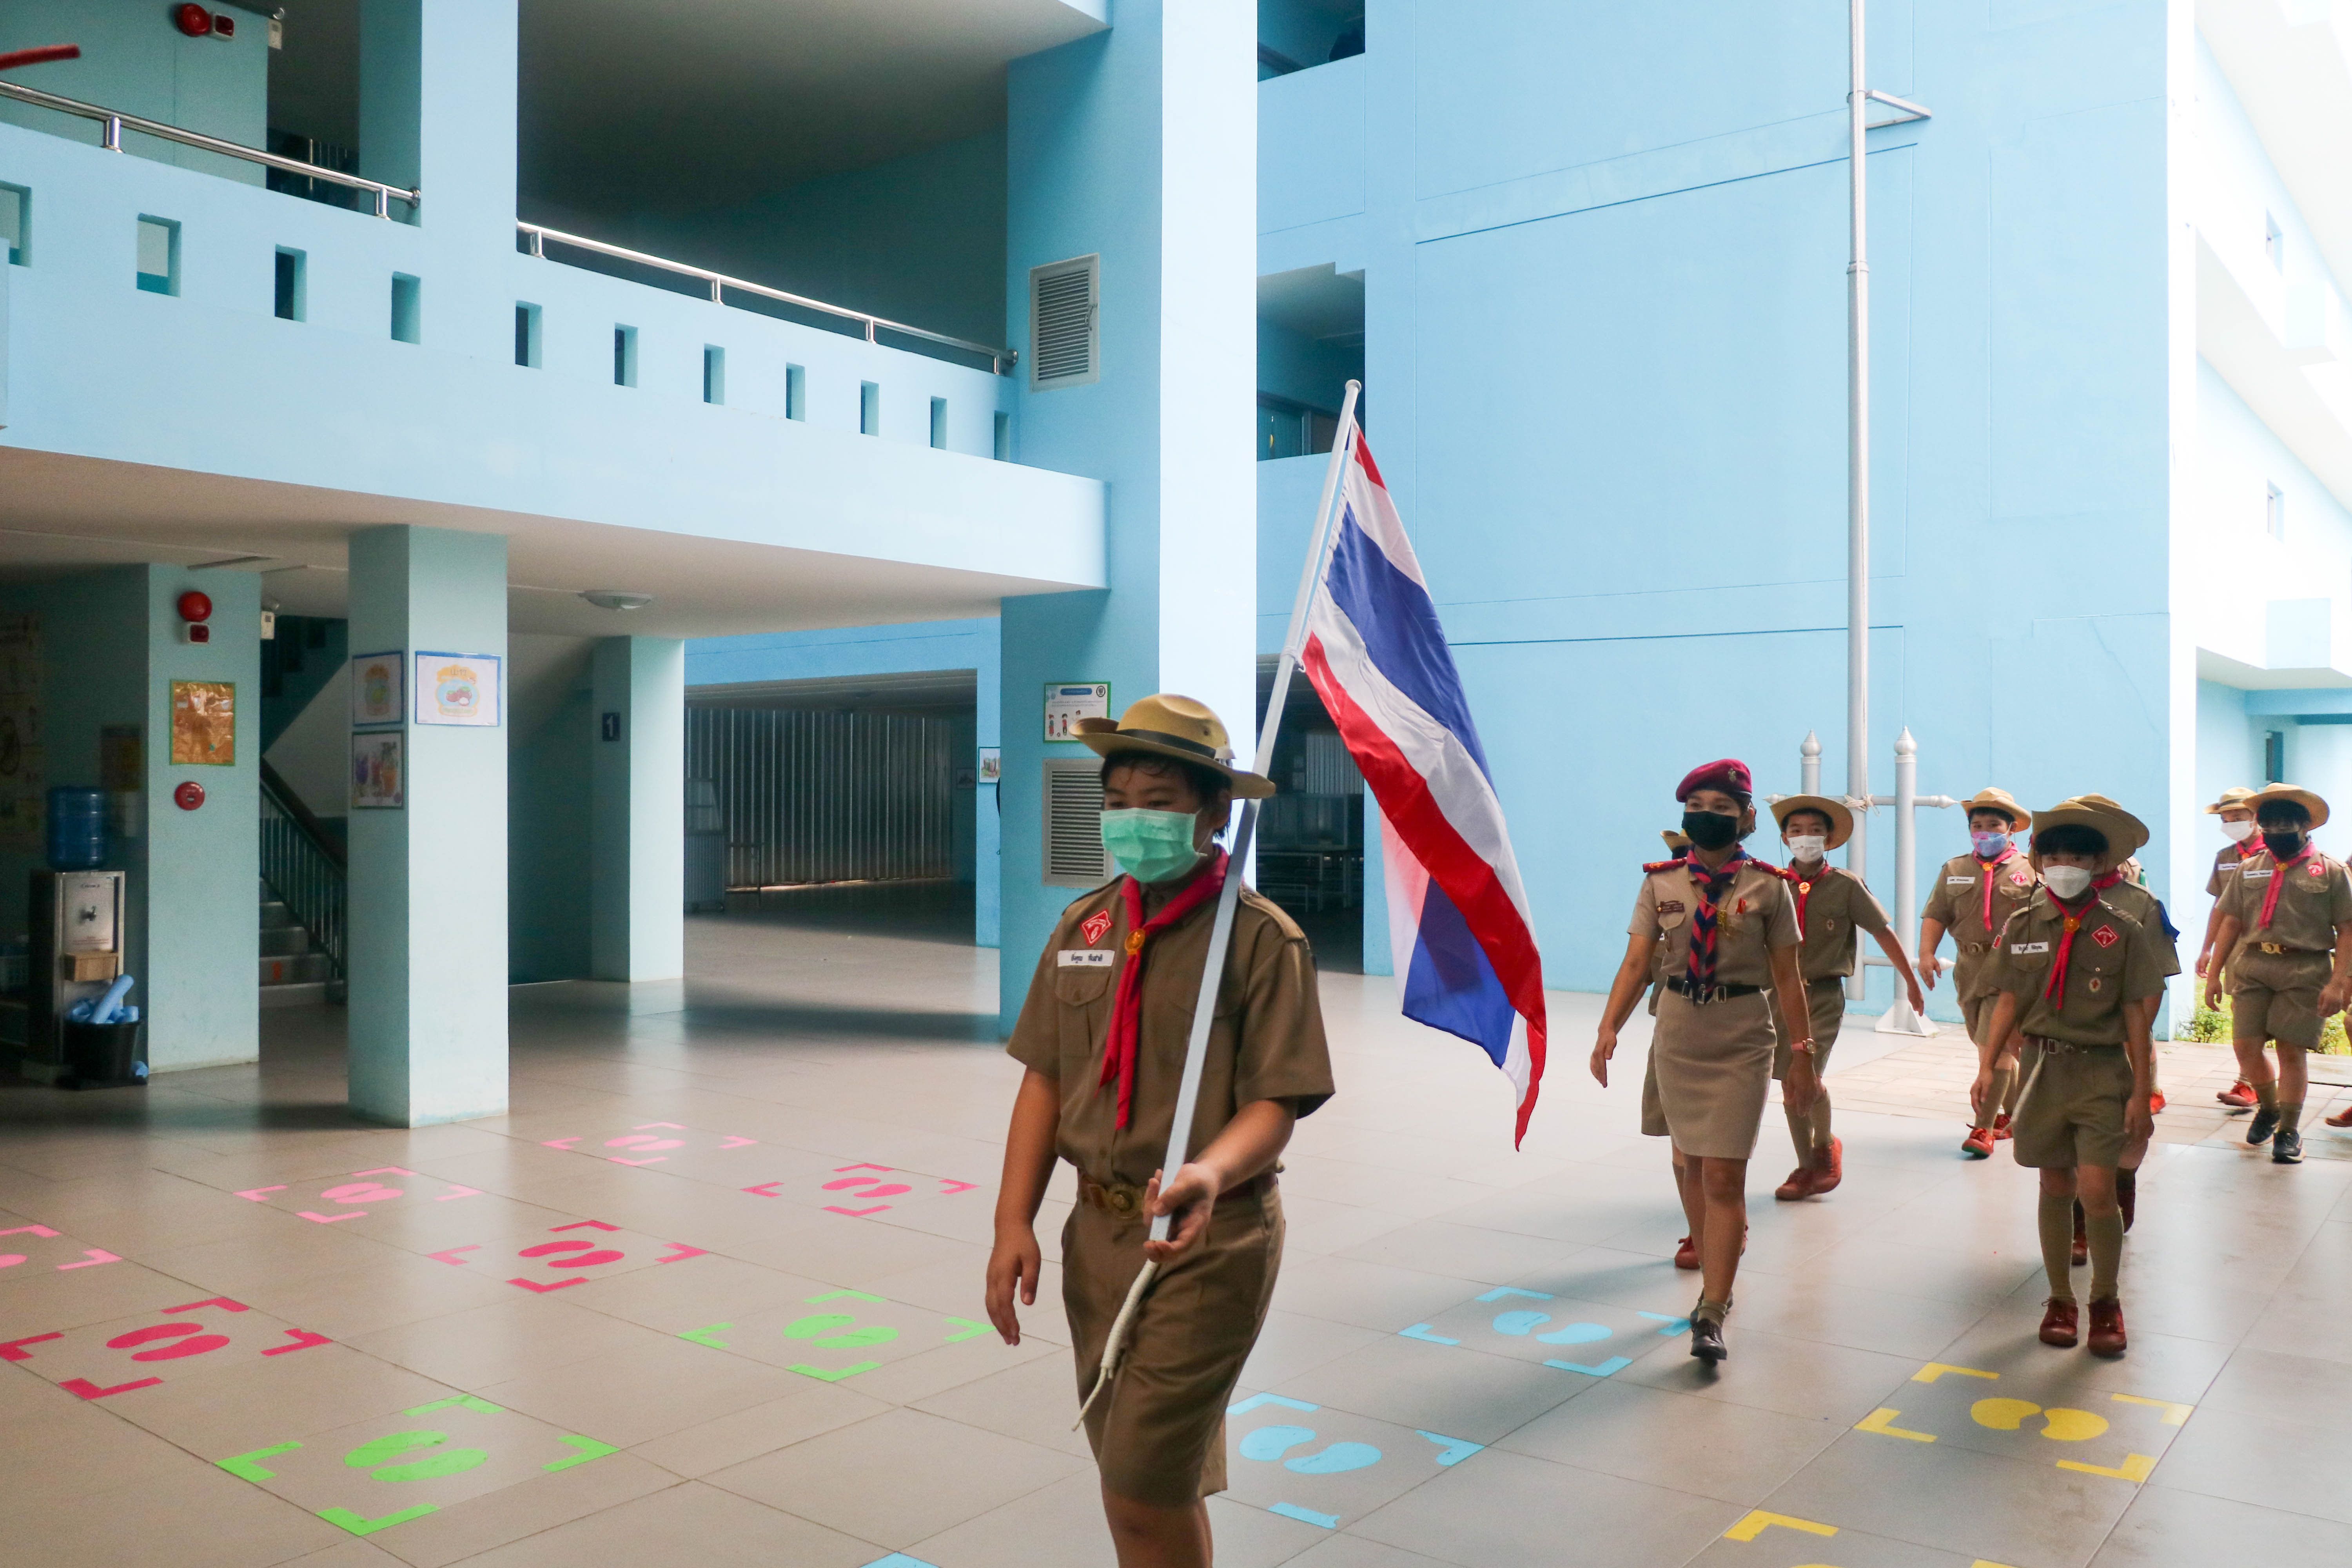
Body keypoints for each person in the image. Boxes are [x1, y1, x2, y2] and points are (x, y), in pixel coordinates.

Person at [985, 694, 1334, 1568]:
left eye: (1159, 802)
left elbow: (1275, 1103)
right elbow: (1045, 1078)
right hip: (1096, 1235)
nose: (1133, 819)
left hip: (1206, 1239)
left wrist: (1208, 1173)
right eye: (1118, 801)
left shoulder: (1260, 941)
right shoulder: (1087, 925)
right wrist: (1012, 1221)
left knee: (1140, 1486)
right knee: (1144, 1476)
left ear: (1216, 814)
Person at [1592, 759, 1815, 1364]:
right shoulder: (1660, 883)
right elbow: (1636, 963)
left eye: (1722, 808)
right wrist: (1609, 1027)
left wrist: (1803, 1054)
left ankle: (1713, 1307)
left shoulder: (1769, 887)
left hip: (1742, 1034)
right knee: (1689, 1161)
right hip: (1679, 1031)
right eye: (1697, 807)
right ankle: (1717, 1251)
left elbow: (1788, 977)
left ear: (1745, 818)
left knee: (1723, 1173)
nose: (1707, 817)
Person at [1973, 801, 2162, 1357]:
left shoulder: (2123, 929)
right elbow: (2008, 1000)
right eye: (2054, 857)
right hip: (2042, 1070)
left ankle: (2106, 1299)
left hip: (2101, 1071)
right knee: (2055, 1186)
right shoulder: (2024, 925)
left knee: (2098, 1191)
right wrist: (1986, 1065)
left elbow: (2137, 1018)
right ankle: (2060, 1299)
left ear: (2098, 863)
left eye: (2077, 858)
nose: (2064, 866)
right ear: (2038, 862)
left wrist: (2142, 1092)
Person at [1765, 794, 1927, 1200]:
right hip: (1779, 997)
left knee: (1809, 1078)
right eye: (1797, 831)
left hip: (1821, 995)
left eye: (1815, 831)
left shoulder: (1845, 885)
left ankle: (1825, 1145)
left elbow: (1882, 932)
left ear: (1829, 839)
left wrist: (1909, 980)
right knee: (1789, 1084)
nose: (1805, 838)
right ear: (1785, 838)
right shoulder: (1771, 883)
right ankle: (1805, 1165)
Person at [2203, 785, 2352, 1165]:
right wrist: (2214, 972)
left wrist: (2339, 982)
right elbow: (2231, 921)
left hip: (2305, 967)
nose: (2276, 830)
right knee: (2245, 1046)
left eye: (2285, 823)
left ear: (2305, 825)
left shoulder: (2331, 871)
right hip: (2253, 964)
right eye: (2268, 824)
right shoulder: (2249, 868)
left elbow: (2347, 929)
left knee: (2290, 1050)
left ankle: (2288, 1129)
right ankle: (2269, 1106)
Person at [1920, 788, 2038, 1156]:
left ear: (2012, 829)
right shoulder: (1955, 870)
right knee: (1991, 1043)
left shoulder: (2030, 870)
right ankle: (2016, 1116)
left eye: (1994, 825)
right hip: (1970, 969)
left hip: (2011, 970)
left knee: (1995, 1048)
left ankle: (1983, 1128)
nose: (1985, 832)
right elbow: (1937, 914)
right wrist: (1926, 954)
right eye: (1978, 826)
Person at [2197, 786, 2265, 1109]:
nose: (2232, 823)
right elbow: (2219, 907)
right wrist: (2207, 948)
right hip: (2235, 946)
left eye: (2239, 817)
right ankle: (2248, 1082)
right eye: (2226, 819)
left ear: (2255, 818)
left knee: (2276, 1022)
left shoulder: (2275, 854)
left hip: (2273, 944)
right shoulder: (2225, 858)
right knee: (2243, 1012)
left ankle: (2267, 1085)